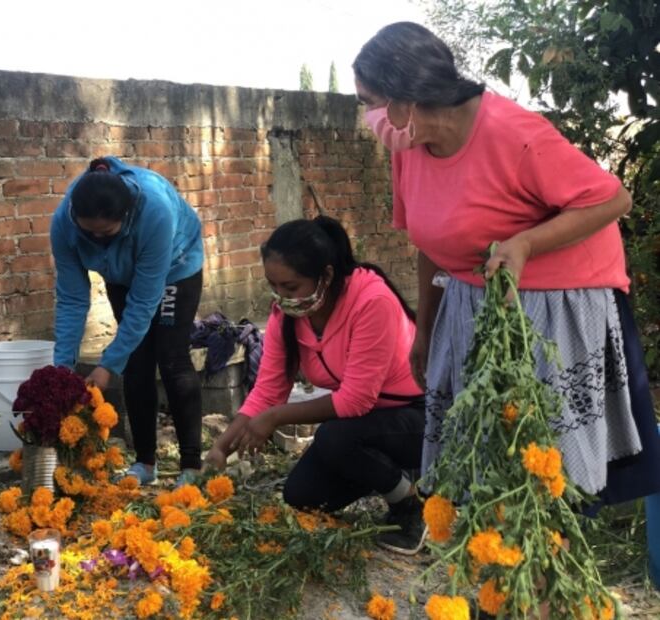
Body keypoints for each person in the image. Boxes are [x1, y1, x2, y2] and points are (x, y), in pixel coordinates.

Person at [353, 22, 660, 506]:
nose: (368, 116)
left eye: (368, 100)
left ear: (405, 97)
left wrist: (525, 244)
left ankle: (551, 561)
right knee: (486, 461)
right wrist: (427, 331)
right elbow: (428, 242)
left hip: (556, 309)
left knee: (549, 469)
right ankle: (502, 556)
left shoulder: (514, 135)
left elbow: (612, 200)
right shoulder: (408, 146)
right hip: (471, 305)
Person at [206, 216, 427, 554]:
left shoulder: (372, 302)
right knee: (301, 496)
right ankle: (384, 472)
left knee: (335, 436)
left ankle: (410, 507)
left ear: (325, 275)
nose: (281, 297)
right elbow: (267, 389)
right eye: (274, 286)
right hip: (366, 427)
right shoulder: (288, 316)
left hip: (417, 418)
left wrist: (277, 417)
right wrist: (222, 447)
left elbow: (355, 402)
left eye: (291, 288)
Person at [51, 156, 204, 487]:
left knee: (172, 357)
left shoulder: (154, 212)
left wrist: (107, 365)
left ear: (126, 216)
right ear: (75, 218)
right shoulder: (62, 223)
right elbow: (72, 299)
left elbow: (145, 301)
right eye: (88, 233)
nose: (96, 240)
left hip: (175, 268)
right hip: (119, 272)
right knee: (136, 360)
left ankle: (192, 465)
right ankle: (145, 463)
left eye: (105, 233)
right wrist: (62, 370)